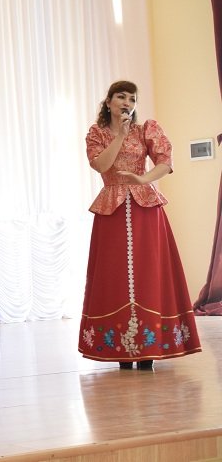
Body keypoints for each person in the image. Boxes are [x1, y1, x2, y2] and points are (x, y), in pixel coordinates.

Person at [78, 81, 202, 369]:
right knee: (114, 274)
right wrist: (120, 136)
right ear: (108, 102)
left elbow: (165, 161)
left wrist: (143, 179)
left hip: (145, 207)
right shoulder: (97, 133)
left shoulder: (147, 128)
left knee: (150, 272)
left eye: (132, 99)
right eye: (121, 96)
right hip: (111, 208)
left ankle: (150, 349)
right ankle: (119, 349)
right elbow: (101, 165)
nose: (127, 102)